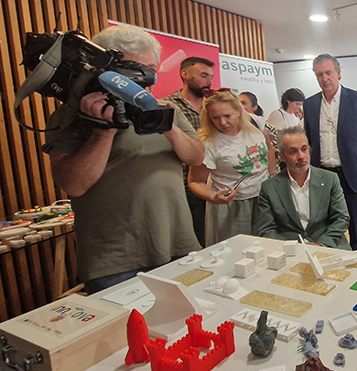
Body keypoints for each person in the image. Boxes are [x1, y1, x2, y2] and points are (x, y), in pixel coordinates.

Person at [43, 25, 203, 294]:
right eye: (132, 70)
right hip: (115, 260)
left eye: (149, 69)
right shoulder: (72, 116)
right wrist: (103, 131)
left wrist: (168, 127)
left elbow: (196, 156)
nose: (144, 79)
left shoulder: (168, 109)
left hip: (178, 244)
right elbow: (74, 185)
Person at [304, 54, 357, 252]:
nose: (324, 78)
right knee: (324, 227)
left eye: (328, 73)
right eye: (319, 74)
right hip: (322, 175)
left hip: (352, 174)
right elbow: (310, 139)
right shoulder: (310, 105)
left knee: (356, 228)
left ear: (338, 73)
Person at [188, 88, 275, 245]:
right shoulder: (208, 143)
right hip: (232, 206)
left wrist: (273, 175)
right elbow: (195, 181)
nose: (223, 122)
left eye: (227, 116)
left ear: (239, 112)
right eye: (216, 118)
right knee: (237, 250)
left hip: (262, 199)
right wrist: (213, 197)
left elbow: (268, 148)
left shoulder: (254, 127)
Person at [255, 127, 350, 249]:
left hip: (327, 245)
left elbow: (341, 218)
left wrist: (321, 244)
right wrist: (294, 248)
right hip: (289, 249)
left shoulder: (330, 179)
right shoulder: (269, 187)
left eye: (304, 149)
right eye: (293, 151)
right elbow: (266, 229)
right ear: (282, 156)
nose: (301, 156)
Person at [163, 57, 215, 246]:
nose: (209, 81)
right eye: (203, 75)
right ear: (185, 74)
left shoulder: (214, 107)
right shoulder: (169, 107)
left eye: (211, 77)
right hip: (182, 189)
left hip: (214, 187)